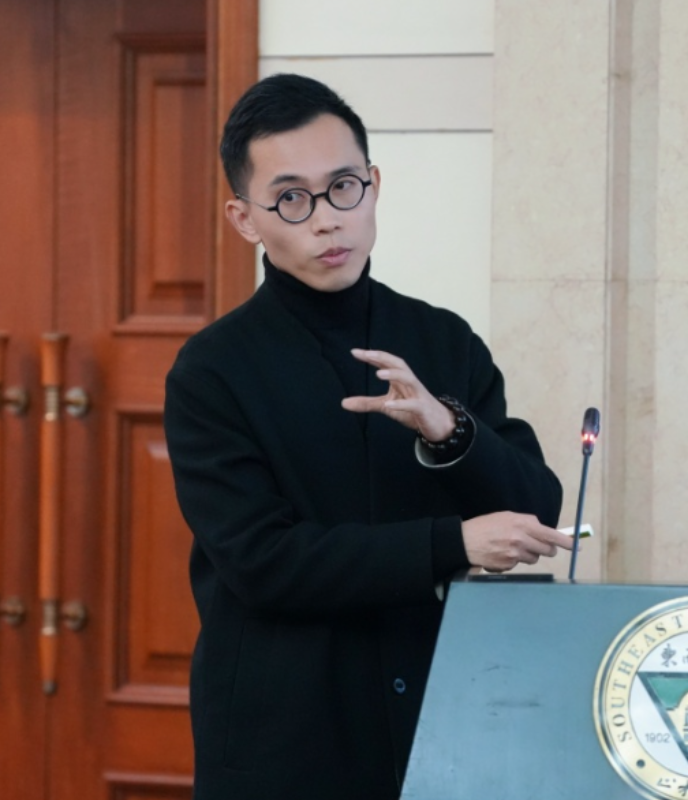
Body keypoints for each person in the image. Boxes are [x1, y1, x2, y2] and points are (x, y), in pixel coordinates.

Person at [164, 73, 572, 800]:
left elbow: (534, 509)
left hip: (443, 721)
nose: (328, 220)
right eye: (292, 199)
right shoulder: (213, 371)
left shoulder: (442, 340)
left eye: (344, 187)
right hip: (285, 741)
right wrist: (451, 544)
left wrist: (450, 431)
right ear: (244, 218)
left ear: (374, 186)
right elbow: (264, 563)